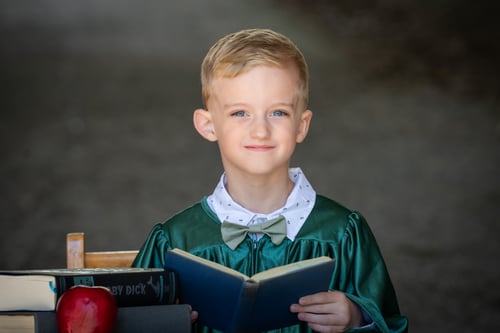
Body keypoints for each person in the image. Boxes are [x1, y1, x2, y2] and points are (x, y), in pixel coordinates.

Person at [132, 28, 408, 333]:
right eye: (240, 113)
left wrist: (358, 317)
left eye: (278, 112)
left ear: (301, 125)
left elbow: (392, 324)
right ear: (208, 125)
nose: (260, 130)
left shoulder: (342, 234)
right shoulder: (176, 242)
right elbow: (129, 322)